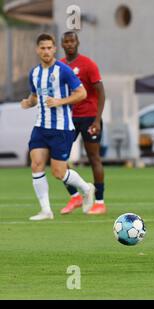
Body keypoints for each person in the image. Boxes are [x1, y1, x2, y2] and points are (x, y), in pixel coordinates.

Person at [21, 33, 95, 221]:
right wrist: (28, 103)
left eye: (49, 48)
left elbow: (82, 93)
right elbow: (35, 96)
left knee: (58, 172)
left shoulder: (63, 70)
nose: (46, 51)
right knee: (36, 164)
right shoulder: (34, 73)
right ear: (37, 50)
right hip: (40, 127)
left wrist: (61, 101)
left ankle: (86, 188)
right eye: (42, 48)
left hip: (62, 128)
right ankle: (46, 210)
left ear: (54, 49)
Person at [60, 31, 107, 215]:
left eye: (72, 41)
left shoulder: (88, 65)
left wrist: (97, 119)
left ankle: (100, 202)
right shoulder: (60, 66)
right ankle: (75, 196)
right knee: (59, 158)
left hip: (89, 117)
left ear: (77, 42)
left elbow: (101, 92)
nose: (70, 44)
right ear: (62, 45)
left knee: (93, 158)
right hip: (69, 118)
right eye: (66, 41)